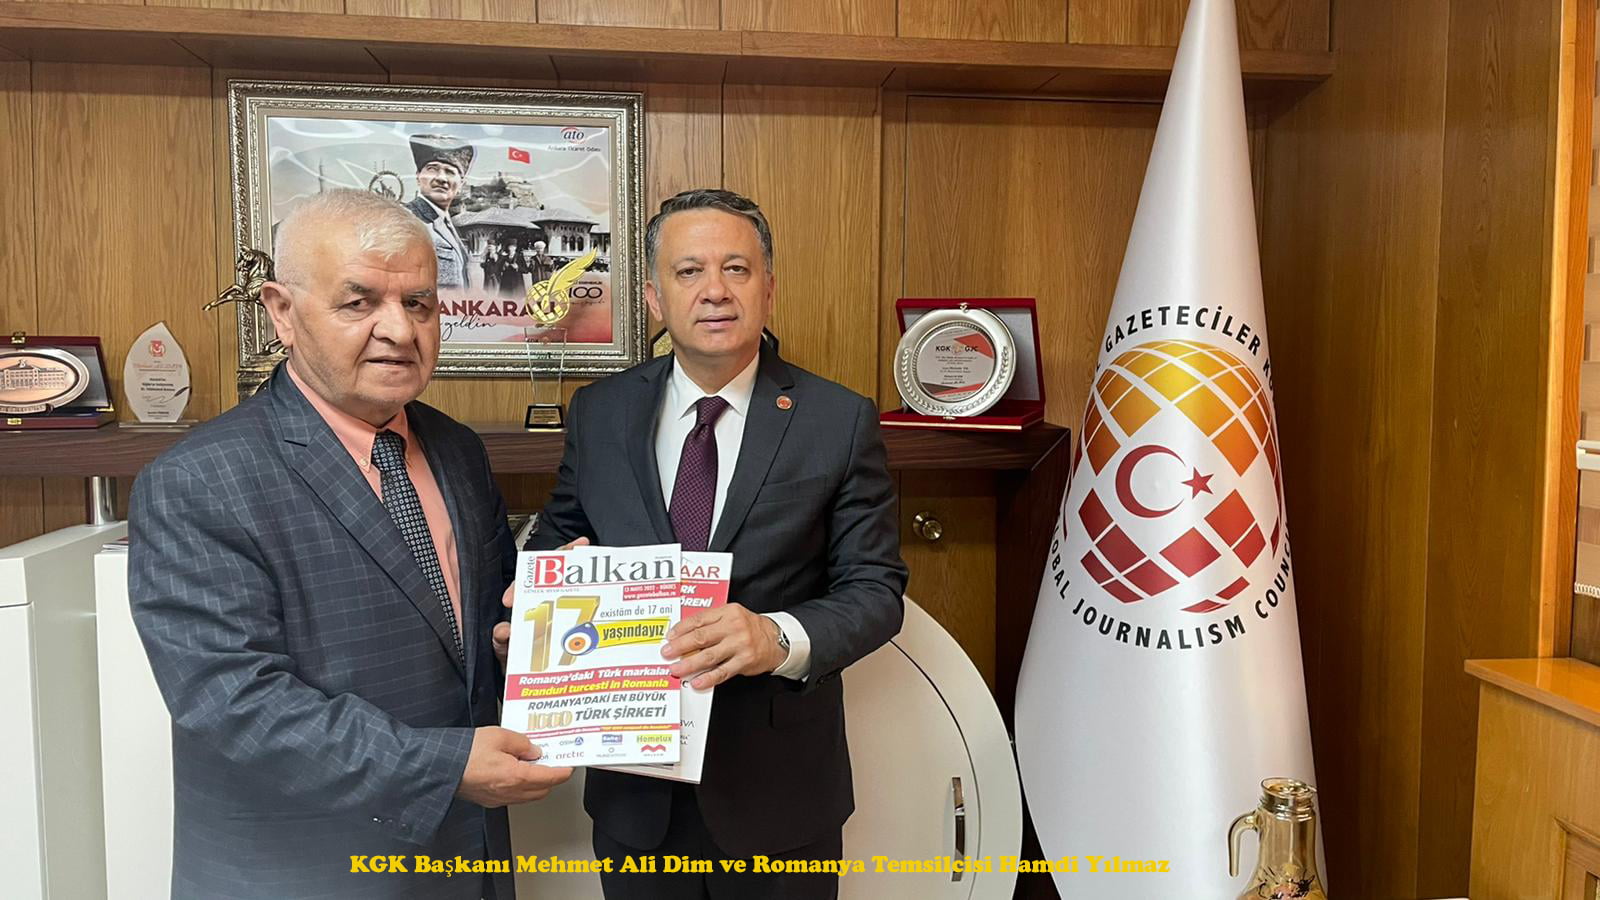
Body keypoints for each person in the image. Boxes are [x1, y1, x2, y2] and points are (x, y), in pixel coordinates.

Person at [129, 189, 571, 900]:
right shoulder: (199, 479)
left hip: (465, 860)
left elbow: (474, 631)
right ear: (282, 312)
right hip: (306, 871)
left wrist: (541, 623)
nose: (398, 330)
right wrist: (444, 767)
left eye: (419, 304)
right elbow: (234, 701)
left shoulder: (456, 450)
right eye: (358, 302)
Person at [517, 188, 908, 899]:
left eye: (736, 268)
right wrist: (534, 600)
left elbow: (876, 591)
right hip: (636, 795)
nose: (716, 290)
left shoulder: (838, 419)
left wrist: (776, 637)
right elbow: (561, 538)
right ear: (655, 299)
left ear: (768, 289)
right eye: (689, 271)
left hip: (778, 797)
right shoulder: (599, 412)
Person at [403, 133, 473, 290]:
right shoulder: (404, 220)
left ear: (461, 184)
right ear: (418, 177)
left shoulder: (447, 224)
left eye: (449, 172)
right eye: (432, 169)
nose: (441, 178)